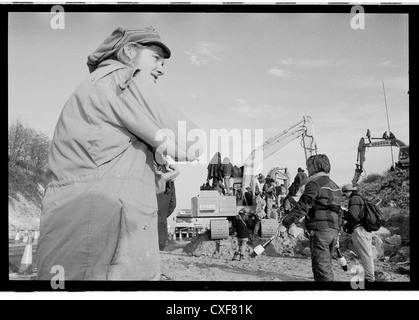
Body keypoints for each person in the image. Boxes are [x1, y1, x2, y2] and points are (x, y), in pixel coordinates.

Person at [36, 26, 203, 280]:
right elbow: (192, 141)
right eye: (155, 58)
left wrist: (158, 176)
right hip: (104, 243)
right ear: (127, 52)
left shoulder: (94, 86)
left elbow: (103, 167)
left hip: (79, 233)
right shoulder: (123, 78)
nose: (161, 68)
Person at [282, 154, 343, 282]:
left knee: (322, 269)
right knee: (326, 266)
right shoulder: (335, 185)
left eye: (309, 166)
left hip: (320, 232)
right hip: (332, 231)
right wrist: (338, 231)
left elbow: (302, 206)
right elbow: (339, 211)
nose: (307, 169)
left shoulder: (314, 184)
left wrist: (285, 223)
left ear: (315, 166)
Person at [341, 184, 375, 282]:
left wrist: (342, 213)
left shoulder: (354, 199)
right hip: (365, 229)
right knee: (368, 254)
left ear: (348, 191)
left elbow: (353, 215)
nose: (345, 196)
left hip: (360, 230)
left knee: (364, 255)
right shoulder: (360, 198)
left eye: (345, 193)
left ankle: (369, 278)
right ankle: (369, 276)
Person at [155, 162, 179, 251]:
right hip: (161, 212)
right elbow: (172, 204)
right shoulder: (169, 175)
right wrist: (163, 216)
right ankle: (159, 248)